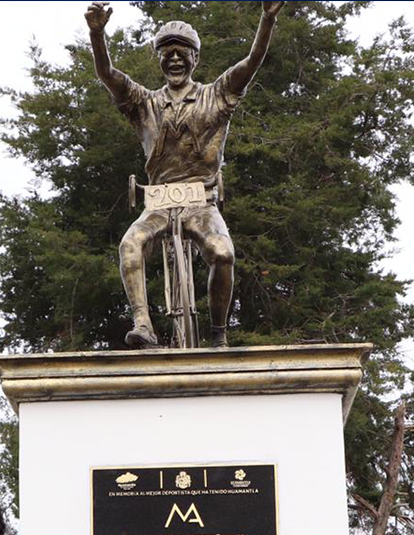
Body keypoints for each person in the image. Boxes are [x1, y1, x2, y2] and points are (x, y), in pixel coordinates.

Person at [85, 1, 285, 348]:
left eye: (183, 52)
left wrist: (267, 19)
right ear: (159, 60)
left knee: (223, 254)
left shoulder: (216, 95)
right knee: (130, 244)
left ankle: (218, 333)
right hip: (159, 203)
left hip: (202, 202)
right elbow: (108, 75)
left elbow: (251, 64)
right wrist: (97, 34)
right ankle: (143, 323)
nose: (175, 59)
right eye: (167, 53)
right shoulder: (143, 102)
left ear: (195, 58)